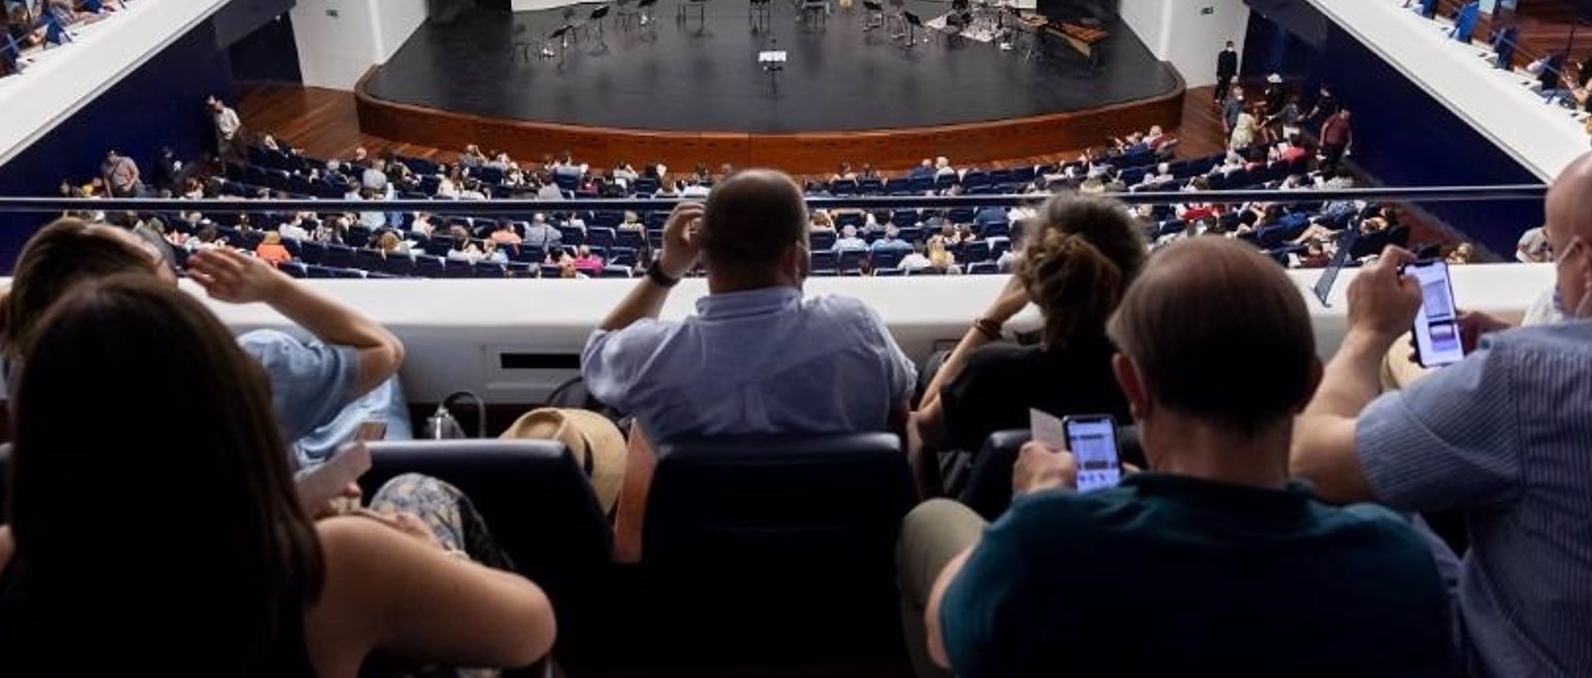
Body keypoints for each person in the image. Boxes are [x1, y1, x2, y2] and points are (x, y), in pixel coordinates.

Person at [1290, 137, 1592, 677]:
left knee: (1375, 510)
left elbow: (1310, 463)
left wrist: (1368, 332)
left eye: (1558, 250)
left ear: (1588, 263)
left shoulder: (1532, 378)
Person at [902, 237, 1455, 678]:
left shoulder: (1046, 540)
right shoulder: (1394, 559)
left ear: (1132, 386)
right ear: (1309, 384)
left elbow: (944, 639)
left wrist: (1038, 499)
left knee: (932, 521)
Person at [0, 274, 555, 675]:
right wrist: (432, 556)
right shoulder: (336, 562)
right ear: (233, 413)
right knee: (414, 492)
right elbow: (531, 629)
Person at [0, 218, 413, 466]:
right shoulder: (246, 372)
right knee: (377, 387)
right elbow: (384, 350)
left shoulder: (38, 371)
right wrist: (273, 288)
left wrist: (25, 294)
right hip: (263, 532)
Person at [580, 170, 915, 443]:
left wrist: (666, 271)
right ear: (794, 257)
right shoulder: (857, 325)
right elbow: (901, 416)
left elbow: (596, 352)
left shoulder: (649, 356)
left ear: (702, 257)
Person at [909, 195, 1147, 464]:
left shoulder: (991, 372)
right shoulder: (1158, 369)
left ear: (1037, 275)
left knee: (936, 368)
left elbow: (925, 428)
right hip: (1129, 501)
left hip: (1004, 503)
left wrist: (993, 317)